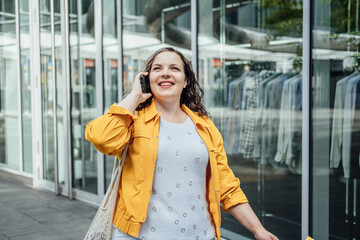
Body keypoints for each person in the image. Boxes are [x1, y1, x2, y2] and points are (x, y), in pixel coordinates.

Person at [85, 47, 278, 240]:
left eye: (174, 68)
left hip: (201, 235)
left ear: (186, 81)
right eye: (157, 68)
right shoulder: (132, 120)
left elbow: (227, 186)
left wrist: (257, 229)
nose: (165, 73)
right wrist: (135, 96)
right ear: (146, 78)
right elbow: (102, 138)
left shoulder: (204, 126)